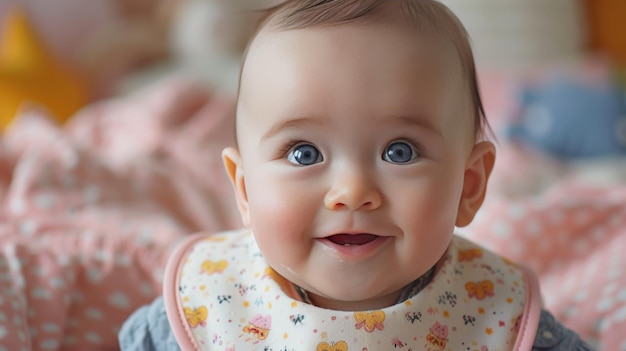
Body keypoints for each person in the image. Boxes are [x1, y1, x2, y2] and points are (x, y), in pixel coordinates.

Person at [119, 0, 595, 349]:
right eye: (304, 153)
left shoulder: (493, 312)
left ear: (468, 187)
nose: (352, 192)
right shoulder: (211, 302)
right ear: (244, 190)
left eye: (400, 151)